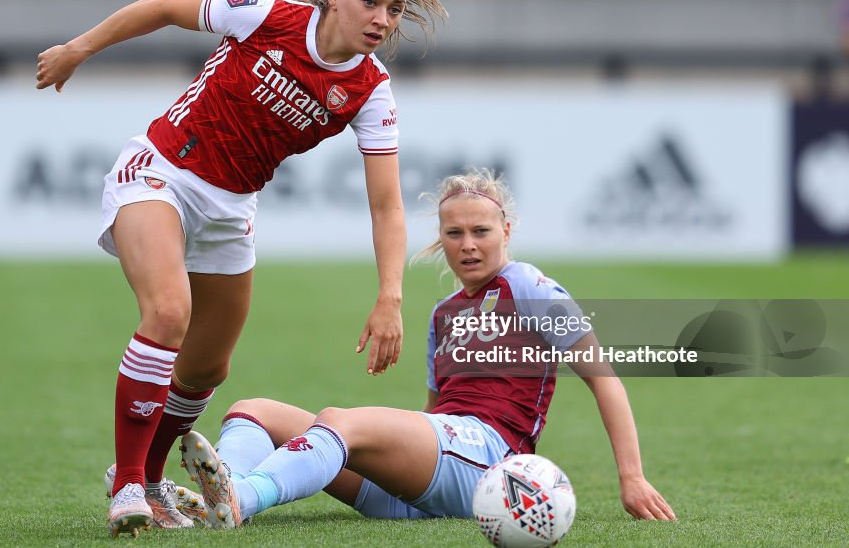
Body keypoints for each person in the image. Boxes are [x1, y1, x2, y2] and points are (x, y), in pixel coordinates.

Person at [35, 0, 447, 537]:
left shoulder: (370, 89)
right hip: (163, 170)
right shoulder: (264, 12)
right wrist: (78, 49)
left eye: (394, 9)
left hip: (231, 208)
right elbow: (161, 8)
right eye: (371, 2)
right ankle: (125, 484)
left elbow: (386, 205)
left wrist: (391, 296)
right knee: (168, 313)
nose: (382, 20)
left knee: (207, 367)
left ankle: (150, 483)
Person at [178, 169, 677, 528]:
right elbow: (435, 413)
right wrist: (398, 455)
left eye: (481, 231)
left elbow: (603, 379)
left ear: (506, 232)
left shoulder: (528, 286)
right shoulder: (444, 312)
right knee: (253, 411)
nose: (468, 244)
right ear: (440, 239)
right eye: (453, 233)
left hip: (488, 459)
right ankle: (217, 497)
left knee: (338, 420)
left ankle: (241, 496)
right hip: (429, 473)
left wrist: (631, 477)